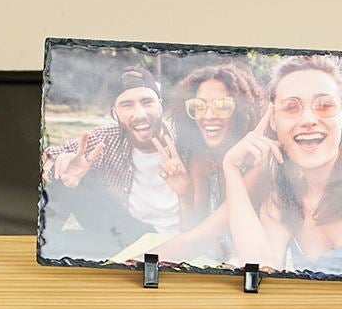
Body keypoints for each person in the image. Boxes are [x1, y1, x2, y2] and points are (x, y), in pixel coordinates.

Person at [42, 62, 184, 260]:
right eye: (127, 105)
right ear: (114, 113)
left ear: (160, 104)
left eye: (147, 102)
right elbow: (47, 157)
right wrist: (59, 164)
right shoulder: (108, 138)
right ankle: (39, 252)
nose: (140, 114)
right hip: (125, 232)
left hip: (175, 240)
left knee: (61, 244)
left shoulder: (183, 140)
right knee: (64, 174)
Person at [221, 55, 342, 276]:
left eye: (324, 105)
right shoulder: (285, 198)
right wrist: (231, 168)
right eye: (291, 107)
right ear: (273, 121)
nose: (308, 119)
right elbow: (259, 267)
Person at [147, 59, 268, 266]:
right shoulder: (202, 160)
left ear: (242, 110)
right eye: (199, 106)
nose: (209, 115)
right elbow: (192, 233)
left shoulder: (259, 162)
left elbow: (197, 241)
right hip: (216, 263)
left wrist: (130, 264)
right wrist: (185, 196)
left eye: (223, 106)